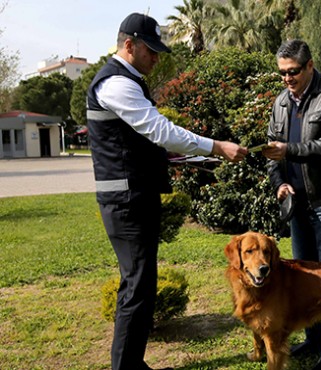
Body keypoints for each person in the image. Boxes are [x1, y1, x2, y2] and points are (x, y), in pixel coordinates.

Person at [87, 13, 248, 370]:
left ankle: (131, 362)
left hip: (132, 198)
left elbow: (144, 143)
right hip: (127, 202)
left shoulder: (126, 81)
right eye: (151, 50)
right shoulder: (117, 84)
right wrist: (217, 147)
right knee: (137, 288)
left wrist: (182, 157)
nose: (157, 58)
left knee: (139, 286)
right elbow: (160, 130)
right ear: (129, 45)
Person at [262, 39, 321, 370]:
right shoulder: (281, 101)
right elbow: (273, 154)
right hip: (297, 204)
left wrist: (289, 150)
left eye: (293, 72)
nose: (287, 79)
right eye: (283, 74)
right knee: (303, 279)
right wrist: (280, 183)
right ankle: (313, 341)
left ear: (310, 66)